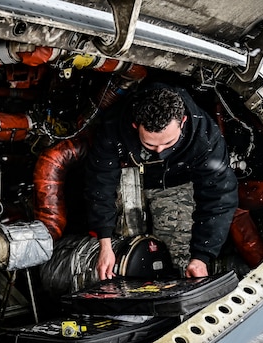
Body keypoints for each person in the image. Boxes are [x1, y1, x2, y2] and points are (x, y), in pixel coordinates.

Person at [84, 84, 238, 279]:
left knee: (179, 261)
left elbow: (219, 196)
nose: (160, 151)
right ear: (135, 126)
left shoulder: (205, 137)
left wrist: (202, 256)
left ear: (183, 122)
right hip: (127, 177)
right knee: (121, 256)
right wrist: (104, 243)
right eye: (150, 143)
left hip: (176, 181)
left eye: (168, 143)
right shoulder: (113, 125)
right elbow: (100, 182)